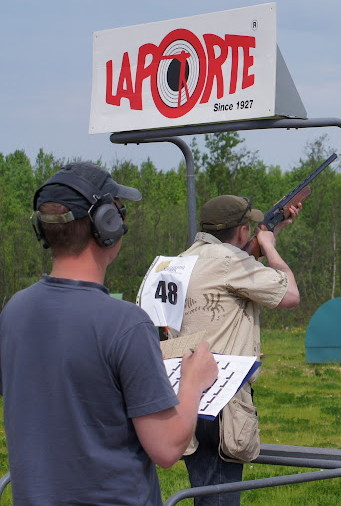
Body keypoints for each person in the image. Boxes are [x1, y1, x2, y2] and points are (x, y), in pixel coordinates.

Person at [0, 161, 219, 505]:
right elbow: (166, 447)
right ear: (107, 225)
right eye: (118, 212)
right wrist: (193, 381)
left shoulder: (14, 311)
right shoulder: (126, 324)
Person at [169, 194, 301, 505]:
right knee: (219, 498)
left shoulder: (180, 262)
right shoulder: (231, 262)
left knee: (204, 492)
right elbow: (290, 294)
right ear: (242, 231)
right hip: (222, 401)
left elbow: (235, 276)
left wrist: (273, 230)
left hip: (183, 393)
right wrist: (269, 246)